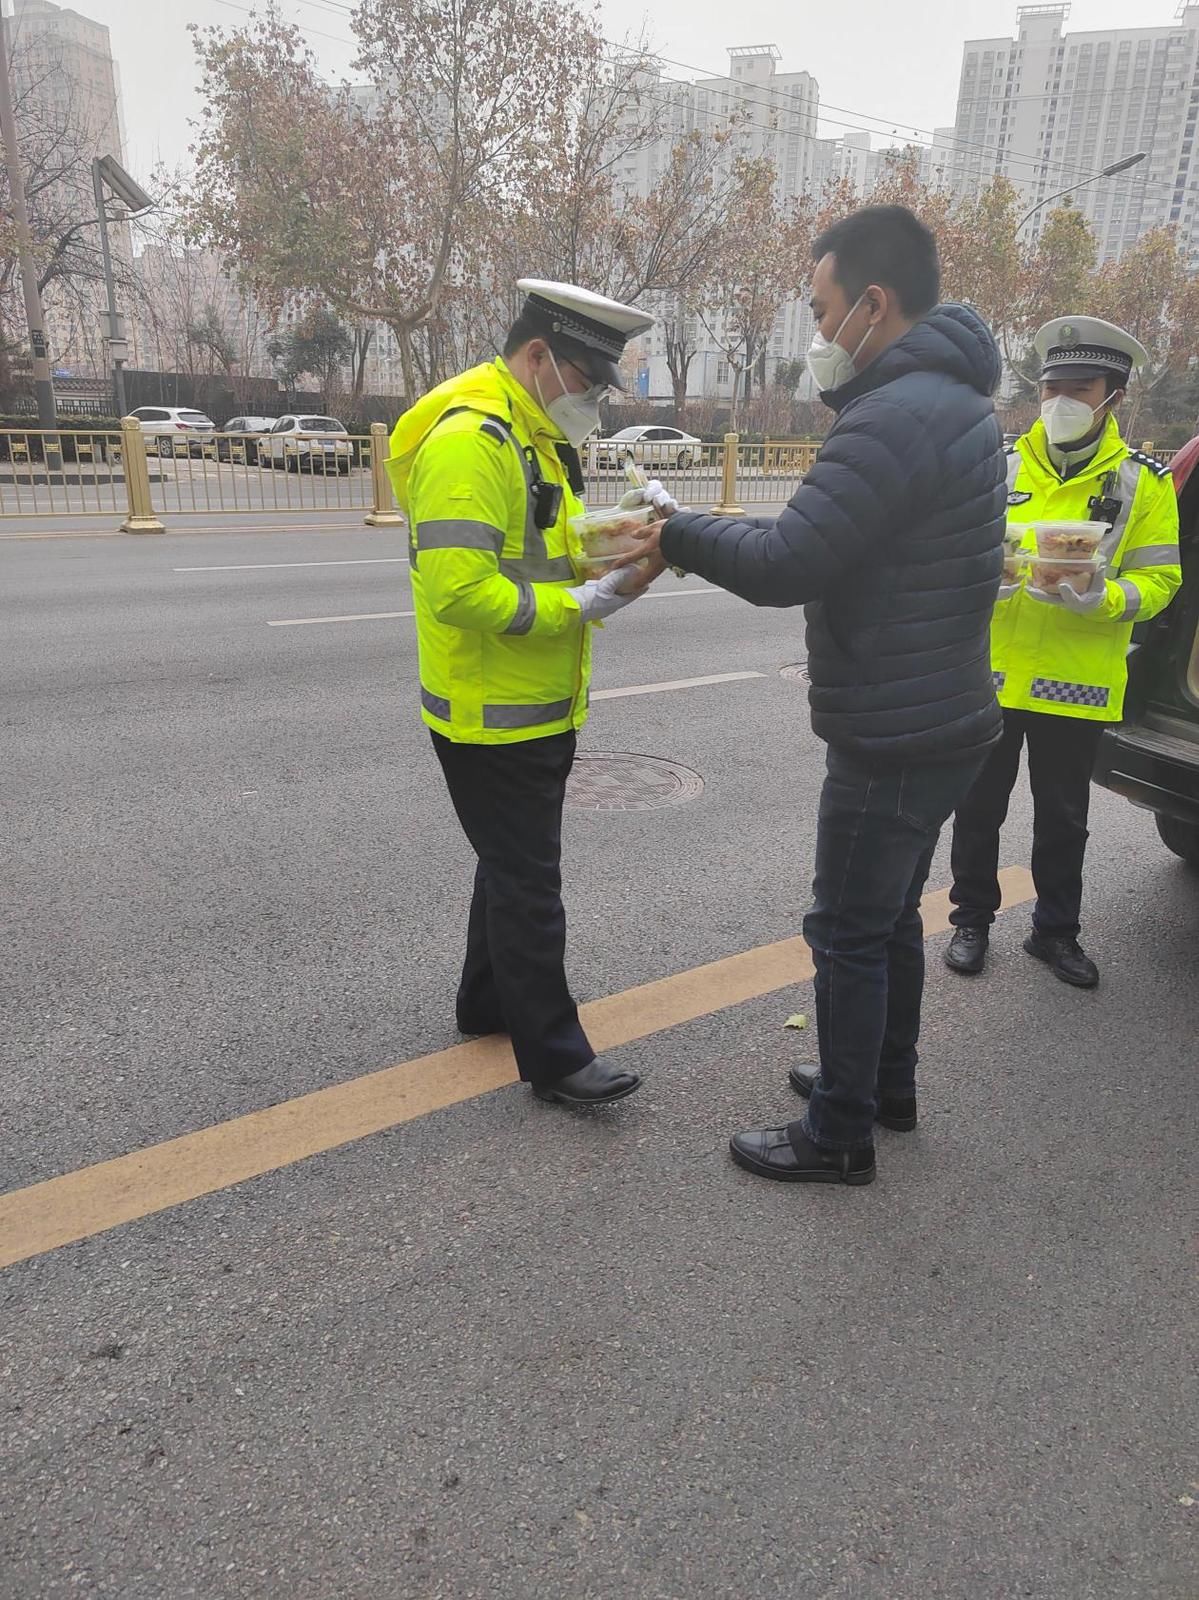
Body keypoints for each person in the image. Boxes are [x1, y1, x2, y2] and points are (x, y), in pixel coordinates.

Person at [619, 206, 1006, 1187]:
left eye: (820, 307)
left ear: (872, 304)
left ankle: (838, 1131)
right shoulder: (953, 404)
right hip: (941, 712)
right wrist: (705, 524)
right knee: (885, 919)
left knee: (845, 927)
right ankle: (885, 1084)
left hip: (893, 728)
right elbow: (832, 530)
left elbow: (788, 560)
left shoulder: (894, 413)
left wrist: (677, 534)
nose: (817, 333)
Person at [385, 279, 657, 1107]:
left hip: (531, 700)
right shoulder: (474, 441)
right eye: (584, 379)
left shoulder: (533, 435)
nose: (591, 401)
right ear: (537, 356)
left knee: (507, 864)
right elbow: (459, 592)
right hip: (488, 713)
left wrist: (615, 541)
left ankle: (485, 1003)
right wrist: (587, 601)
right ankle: (555, 1057)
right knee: (529, 881)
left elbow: (543, 546)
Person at [944, 317, 1182, 989]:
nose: (1061, 402)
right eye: (1051, 388)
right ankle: (971, 921)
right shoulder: (999, 463)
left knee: (1062, 820)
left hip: (1073, 684)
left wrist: (1099, 596)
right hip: (986, 676)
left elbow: (1160, 582)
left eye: (1079, 388)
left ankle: (1054, 934)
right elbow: (954, 549)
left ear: (1113, 397)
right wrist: (981, 573)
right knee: (976, 807)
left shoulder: (1144, 483)